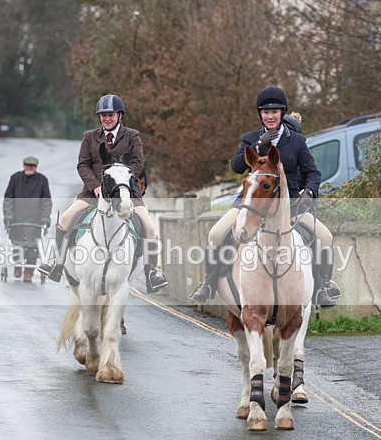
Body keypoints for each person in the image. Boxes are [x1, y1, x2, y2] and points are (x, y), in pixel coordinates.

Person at [189, 86, 341, 307]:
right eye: (266, 112)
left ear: (282, 113)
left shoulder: (297, 141)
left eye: (275, 112)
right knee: (216, 234)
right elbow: (236, 166)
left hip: (290, 206)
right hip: (252, 204)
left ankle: (323, 287)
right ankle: (208, 283)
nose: (270, 116)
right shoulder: (250, 138)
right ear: (260, 114)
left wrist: (309, 191)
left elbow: (313, 173)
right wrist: (259, 143)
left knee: (324, 237)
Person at [38, 94, 168, 293]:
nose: (107, 118)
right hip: (93, 193)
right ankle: (57, 261)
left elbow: (138, 163)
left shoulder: (132, 136)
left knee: (149, 228)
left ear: (119, 115)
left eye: (111, 115)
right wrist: (95, 186)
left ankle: (152, 272)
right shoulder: (89, 136)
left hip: (126, 193)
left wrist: (122, 181)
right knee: (65, 219)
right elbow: (83, 165)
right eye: (103, 115)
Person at [4, 156, 52, 282]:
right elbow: (8, 199)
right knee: (17, 244)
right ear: (23, 166)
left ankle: (29, 271)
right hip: (17, 219)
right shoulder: (15, 178)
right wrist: (8, 216)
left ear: (36, 167)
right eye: (27, 166)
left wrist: (45, 218)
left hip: (35, 220)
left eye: (32, 166)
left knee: (33, 247)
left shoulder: (42, 180)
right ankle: (18, 265)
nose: (29, 168)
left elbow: (46, 201)